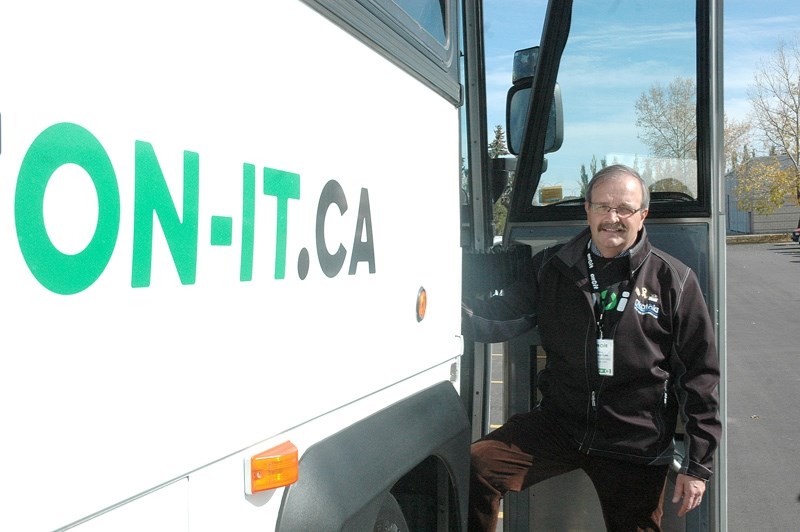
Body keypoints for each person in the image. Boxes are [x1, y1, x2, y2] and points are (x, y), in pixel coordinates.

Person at [463, 165, 721, 531]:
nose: (612, 218)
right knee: (479, 466)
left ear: (642, 214)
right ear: (587, 209)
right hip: (561, 425)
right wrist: (434, 307)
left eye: (624, 209)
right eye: (602, 207)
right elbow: (500, 317)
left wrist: (698, 465)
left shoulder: (673, 279)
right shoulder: (553, 266)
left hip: (635, 441)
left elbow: (701, 375)